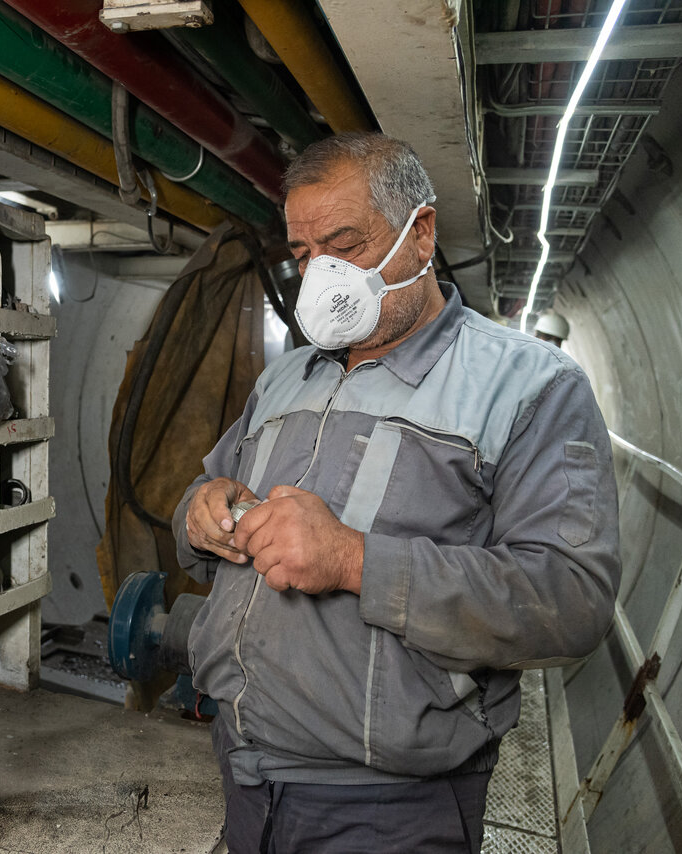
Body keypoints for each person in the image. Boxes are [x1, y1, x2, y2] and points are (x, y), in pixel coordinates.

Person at [173, 133, 620, 853]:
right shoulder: (286, 378)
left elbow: (570, 601)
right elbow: (202, 502)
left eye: (344, 246)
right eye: (303, 255)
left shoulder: (530, 387)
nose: (322, 275)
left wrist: (354, 560)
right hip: (244, 771)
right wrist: (199, 512)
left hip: (389, 808)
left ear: (421, 233)